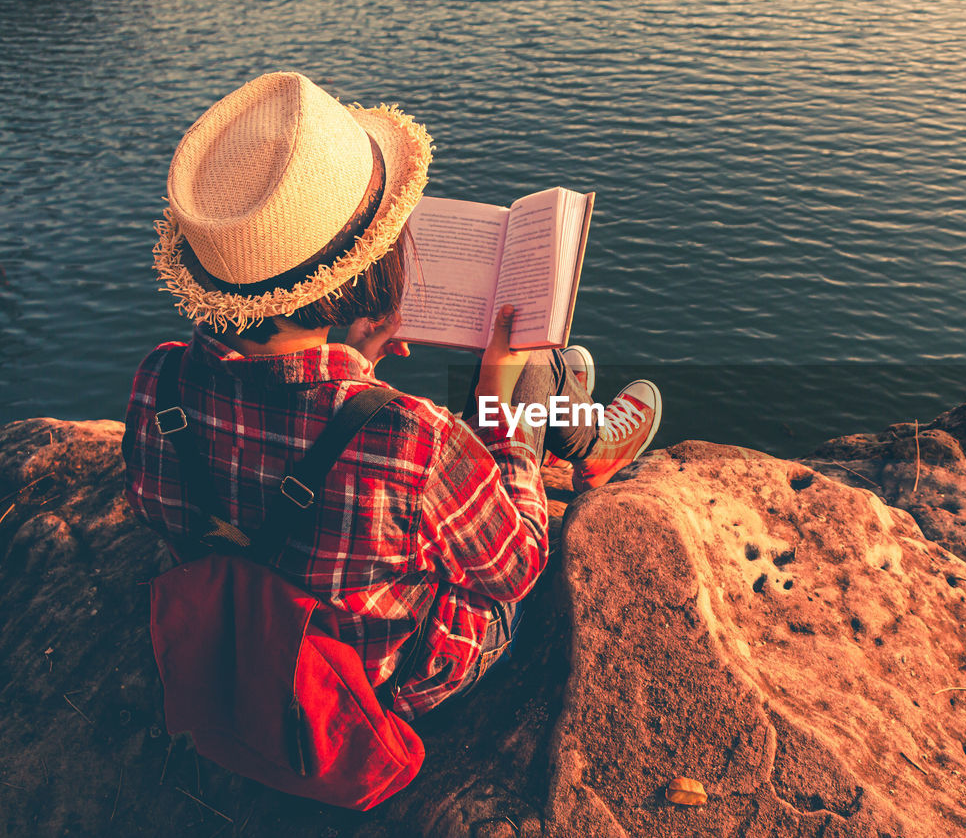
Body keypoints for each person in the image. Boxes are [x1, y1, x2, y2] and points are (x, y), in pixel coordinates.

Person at [122, 71, 662, 718]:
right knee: (543, 369)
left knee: (549, 376)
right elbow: (518, 563)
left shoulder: (162, 381)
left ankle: (586, 428)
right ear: (353, 270)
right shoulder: (413, 440)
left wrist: (355, 370)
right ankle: (590, 440)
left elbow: (165, 511)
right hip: (379, 683)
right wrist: (495, 392)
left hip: (243, 640)